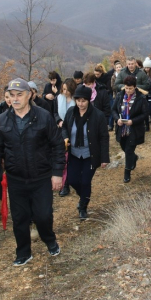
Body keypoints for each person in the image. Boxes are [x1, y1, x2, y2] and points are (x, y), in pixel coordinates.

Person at [0, 78, 65, 266]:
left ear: (29, 95)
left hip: (41, 176)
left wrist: (57, 172)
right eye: (12, 95)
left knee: (43, 215)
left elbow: (57, 145)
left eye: (19, 95)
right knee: (20, 218)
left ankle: (50, 240)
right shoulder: (2, 120)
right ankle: (23, 252)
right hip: (16, 178)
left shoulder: (44, 116)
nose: (15, 99)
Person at [62, 85, 109, 219]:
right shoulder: (71, 112)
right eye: (78, 100)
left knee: (85, 181)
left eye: (83, 101)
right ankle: (84, 196)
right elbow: (64, 127)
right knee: (72, 180)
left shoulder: (98, 115)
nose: (80, 104)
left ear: (89, 100)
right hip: (74, 153)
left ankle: (83, 207)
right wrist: (65, 137)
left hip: (90, 154)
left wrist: (104, 158)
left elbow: (104, 137)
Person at [112, 76, 148, 183]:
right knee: (124, 147)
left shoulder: (140, 98)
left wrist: (133, 121)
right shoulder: (119, 96)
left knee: (128, 150)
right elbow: (113, 110)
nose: (128, 91)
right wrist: (117, 119)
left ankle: (127, 173)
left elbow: (145, 114)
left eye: (130, 88)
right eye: (126, 88)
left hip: (134, 129)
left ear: (135, 87)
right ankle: (134, 157)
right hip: (121, 128)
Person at [53, 78, 77, 197]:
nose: (64, 92)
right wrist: (59, 121)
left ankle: (72, 180)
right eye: (63, 89)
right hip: (61, 132)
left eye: (67, 90)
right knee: (64, 158)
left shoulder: (76, 99)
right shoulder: (58, 99)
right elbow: (55, 113)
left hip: (74, 131)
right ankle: (65, 185)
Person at [142, 58, 151, 131]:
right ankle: (146, 125)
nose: (147, 69)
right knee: (145, 110)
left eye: (148, 67)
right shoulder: (141, 73)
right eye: (145, 67)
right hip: (144, 93)